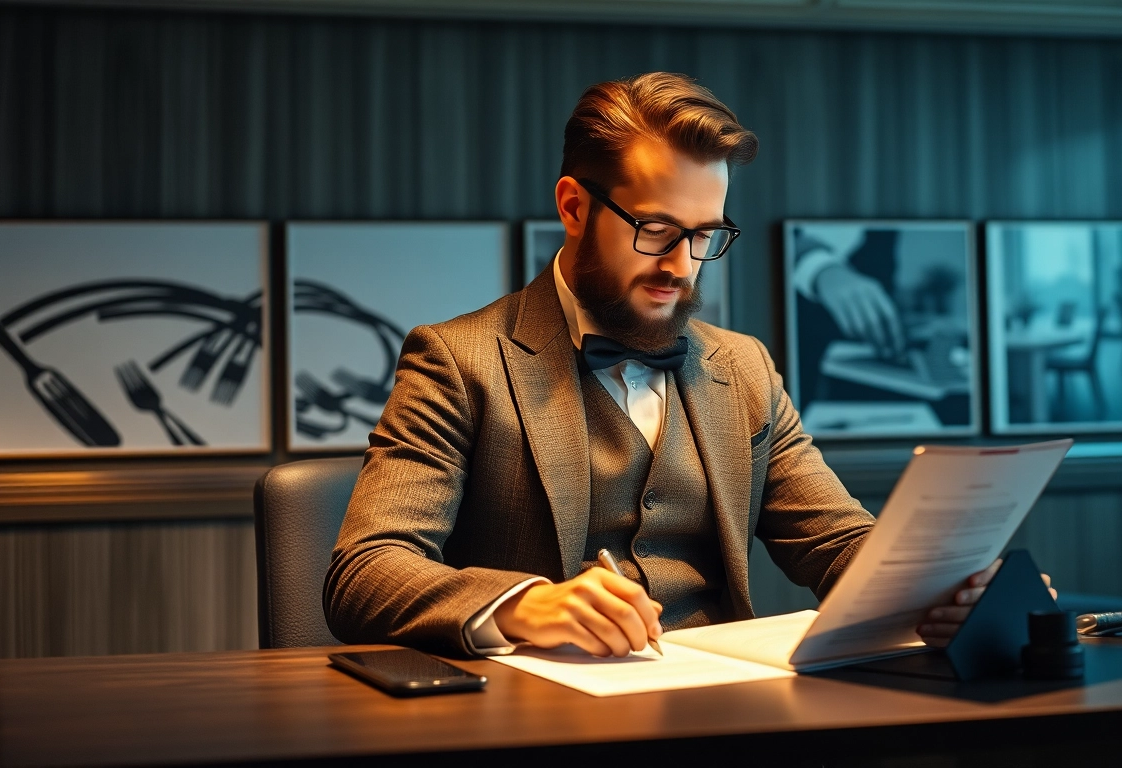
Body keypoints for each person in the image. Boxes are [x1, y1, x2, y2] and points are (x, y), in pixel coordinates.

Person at [324, 72, 1045, 659]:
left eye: (704, 235)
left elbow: (835, 540)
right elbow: (364, 571)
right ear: (574, 207)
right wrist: (523, 604)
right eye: (656, 229)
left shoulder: (745, 367)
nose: (681, 265)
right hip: (538, 725)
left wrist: (944, 587)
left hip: (725, 717)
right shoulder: (457, 360)